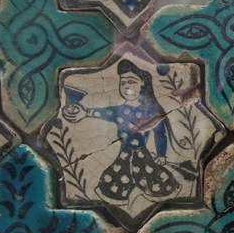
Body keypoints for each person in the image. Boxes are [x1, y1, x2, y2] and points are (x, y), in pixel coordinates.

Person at [62, 59, 180, 205]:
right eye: (123, 82)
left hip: (142, 153)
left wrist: (161, 154)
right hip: (124, 153)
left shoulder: (150, 110)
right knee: (117, 177)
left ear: (142, 83)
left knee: (151, 176)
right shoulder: (121, 109)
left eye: (131, 81)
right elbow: (107, 112)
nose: (126, 86)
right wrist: (85, 112)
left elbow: (160, 133)